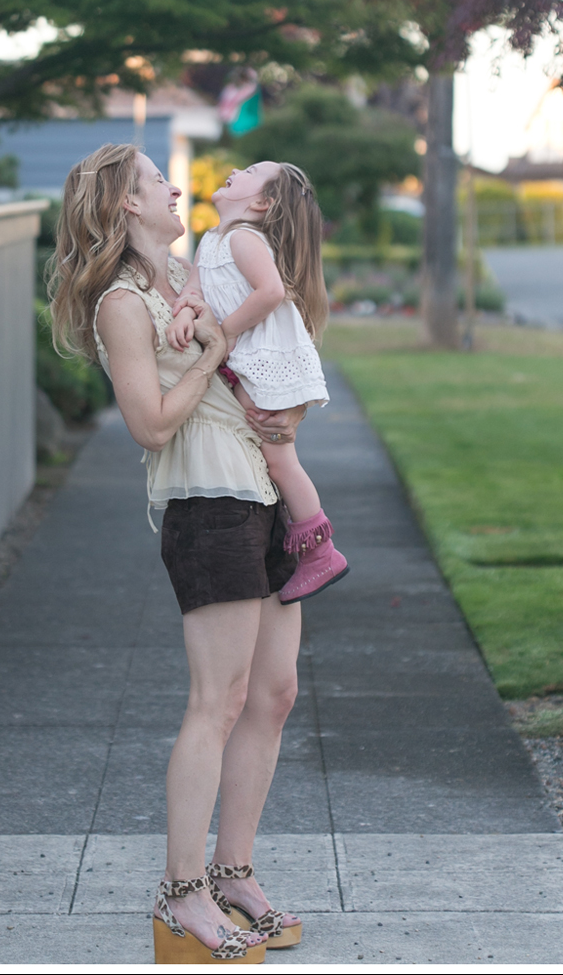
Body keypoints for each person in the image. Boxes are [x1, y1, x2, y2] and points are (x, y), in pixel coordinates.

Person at [47, 143, 308, 963]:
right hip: (209, 503)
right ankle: (182, 893)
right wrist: (213, 356)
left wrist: (282, 413)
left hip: (261, 491)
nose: (174, 186)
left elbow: (277, 329)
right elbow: (152, 424)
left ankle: (234, 873)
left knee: (274, 694)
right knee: (218, 700)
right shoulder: (122, 302)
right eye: (157, 180)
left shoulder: (192, 270)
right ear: (127, 204)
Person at [166, 161, 349, 603]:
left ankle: (320, 553)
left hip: (267, 355)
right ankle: (303, 544)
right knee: (267, 447)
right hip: (249, 358)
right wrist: (186, 313)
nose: (232, 168)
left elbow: (271, 292)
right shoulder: (212, 239)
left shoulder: (244, 239)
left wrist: (223, 335)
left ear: (262, 202)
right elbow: (193, 289)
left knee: (277, 455)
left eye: (248, 171)